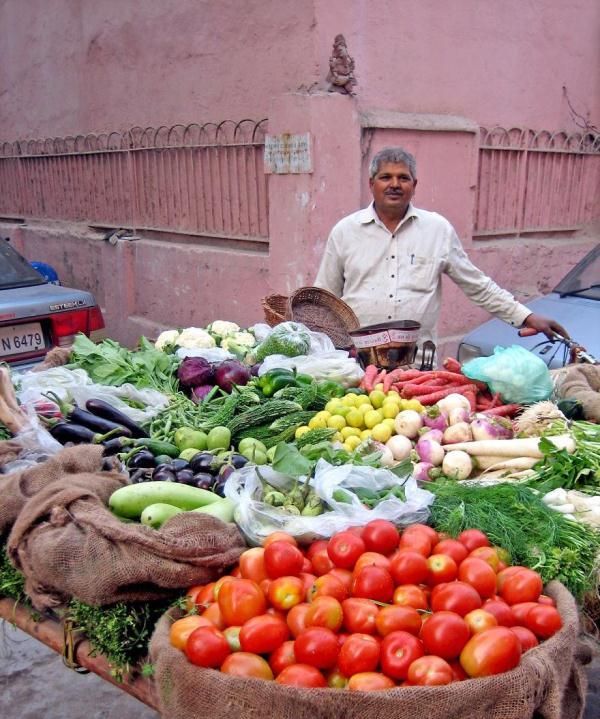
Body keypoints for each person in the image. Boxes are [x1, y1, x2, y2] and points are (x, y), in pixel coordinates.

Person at [314, 146, 568, 348]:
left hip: (415, 364)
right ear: (372, 184)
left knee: (416, 416)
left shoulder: (437, 230)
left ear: (414, 186)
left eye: (403, 178)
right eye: (385, 177)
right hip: (358, 358)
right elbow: (323, 297)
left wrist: (525, 316)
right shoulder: (346, 231)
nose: (395, 184)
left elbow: (477, 284)